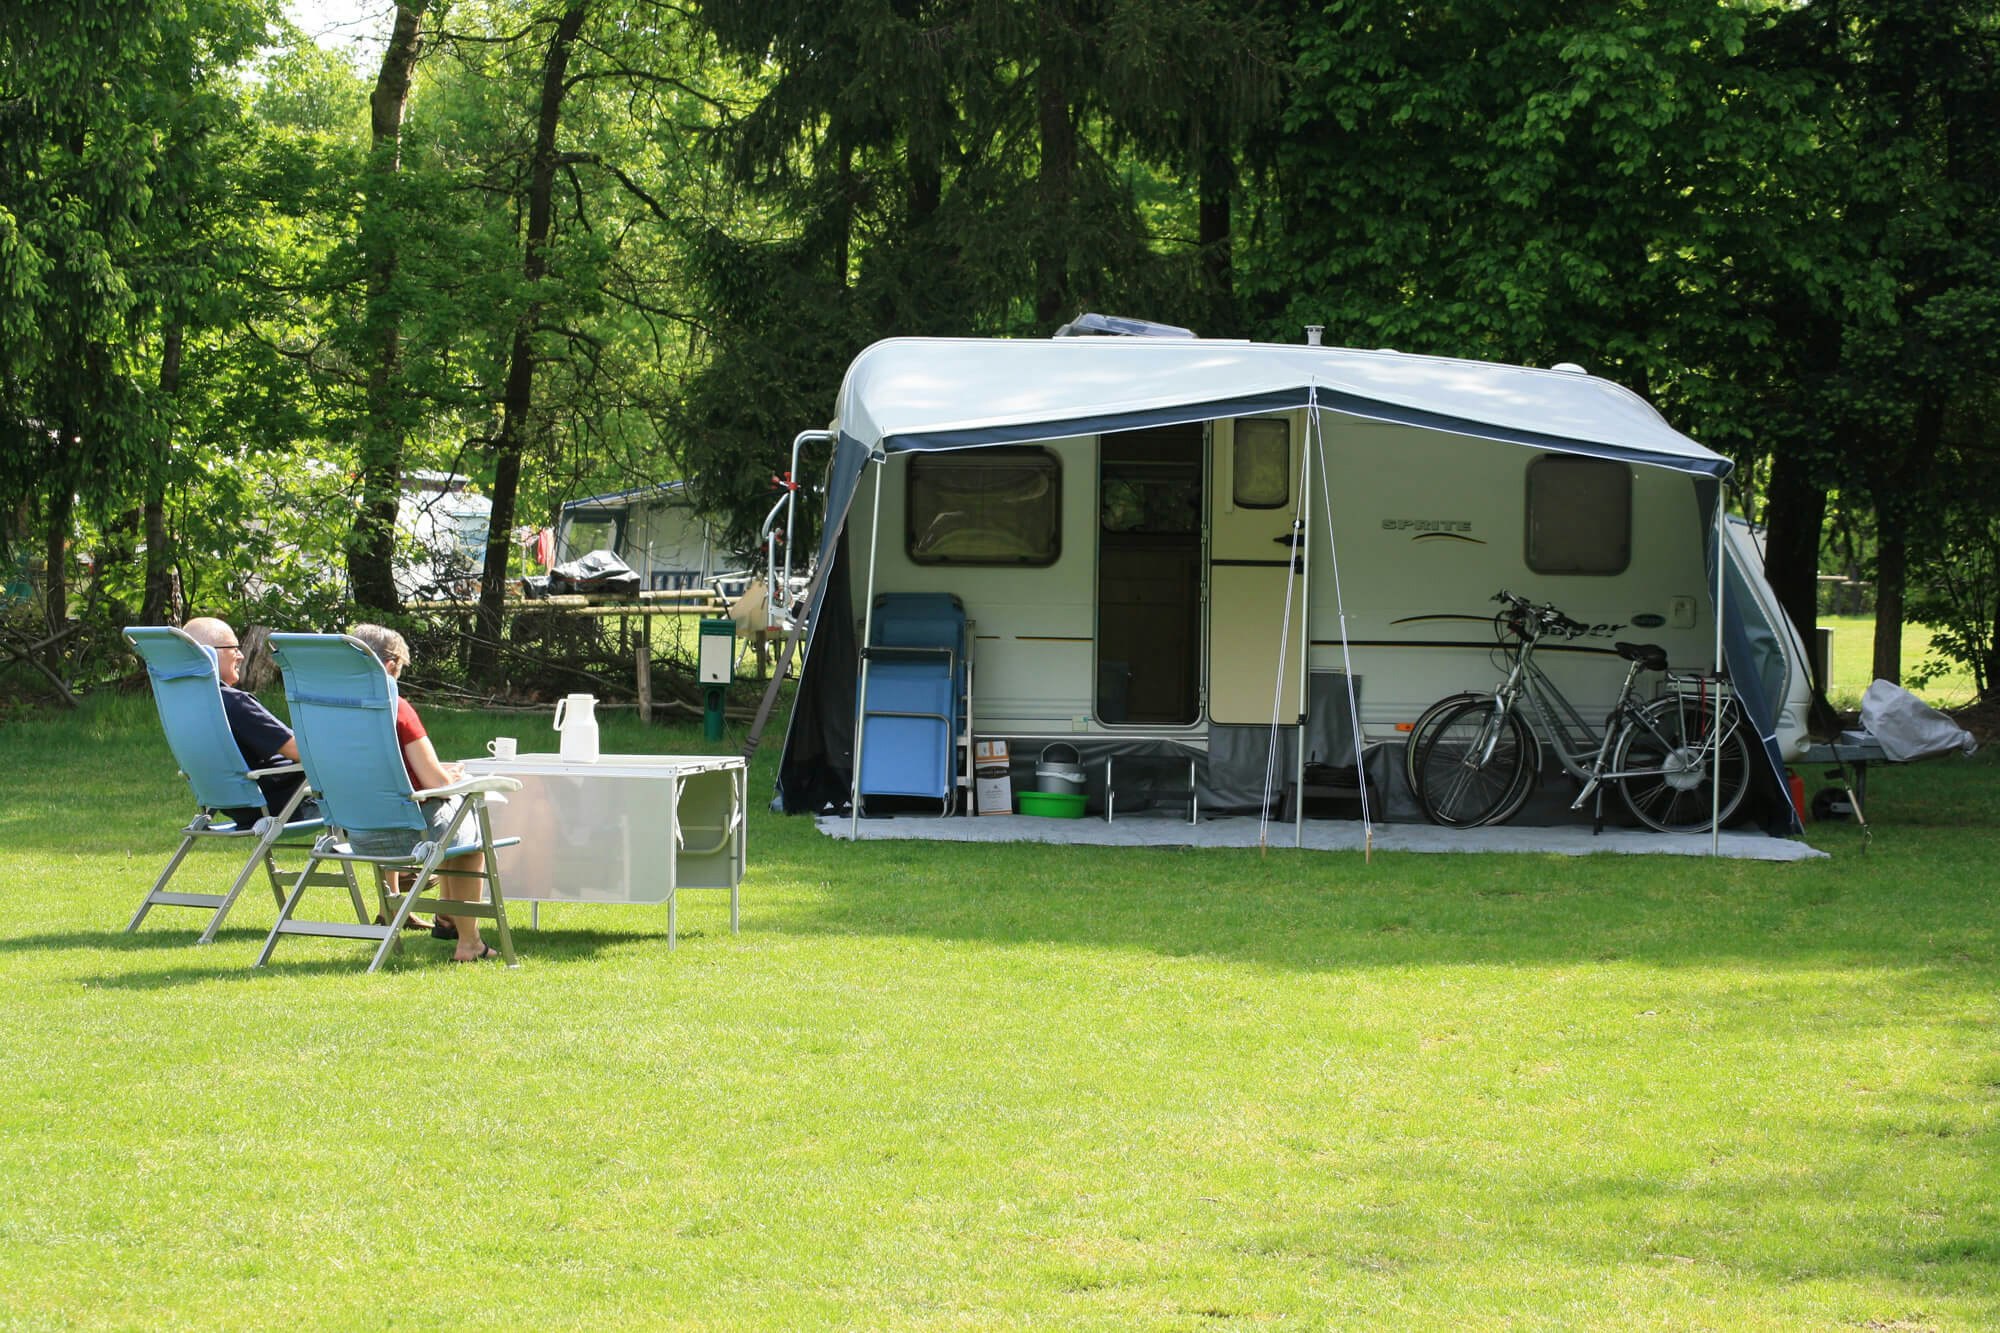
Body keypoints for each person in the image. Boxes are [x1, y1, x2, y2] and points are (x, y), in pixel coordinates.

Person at [347, 623, 500, 962]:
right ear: (389, 665)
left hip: (358, 834)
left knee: (454, 827)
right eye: (400, 668)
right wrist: (451, 775)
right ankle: (468, 942)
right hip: (411, 834)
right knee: (468, 829)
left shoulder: (332, 710)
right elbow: (436, 782)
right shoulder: (395, 707)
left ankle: (447, 918)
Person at [181, 616, 312, 829]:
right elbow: (300, 751)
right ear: (209, 653)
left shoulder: (187, 704)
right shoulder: (234, 703)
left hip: (230, 803)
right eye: (234, 648)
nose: (241, 655)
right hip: (281, 801)